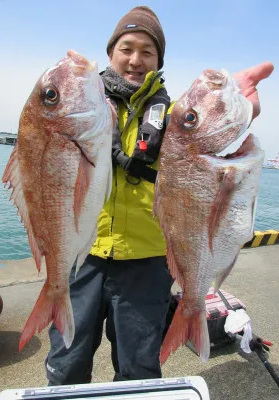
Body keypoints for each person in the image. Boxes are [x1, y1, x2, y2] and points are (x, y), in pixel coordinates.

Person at [45, 6, 274, 385]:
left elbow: (206, 144)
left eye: (147, 51)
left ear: (159, 60)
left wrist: (239, 112)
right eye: (126, 48)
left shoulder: (171, 116)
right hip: (81, 254)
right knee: (66, 361)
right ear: (111, 52)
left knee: (139, 367)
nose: (135, 60)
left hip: (148, 259)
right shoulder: (82, 106)